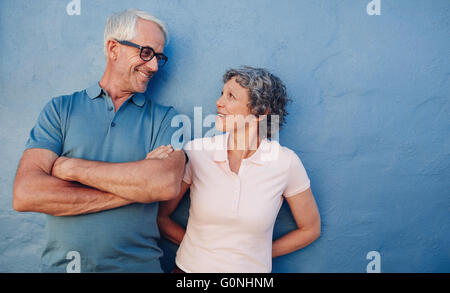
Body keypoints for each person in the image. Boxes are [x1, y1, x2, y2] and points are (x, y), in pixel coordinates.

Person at [12, 9, 186, 272]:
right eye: (146, 53)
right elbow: (26, 194)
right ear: (114, 48)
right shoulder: (61, 109)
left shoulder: (167, 118)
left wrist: (71, 168)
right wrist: (137, 189)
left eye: (158, 57)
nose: (153, 66)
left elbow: (164, 184)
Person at [157, 66, 321, 273]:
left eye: (231, 96)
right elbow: (160, 216)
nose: (219, 102)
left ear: (261, 112)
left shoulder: (285, 163)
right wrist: (203, 252)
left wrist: (255, 254)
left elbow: (310, 229)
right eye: (222, 93)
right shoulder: (198, 152)